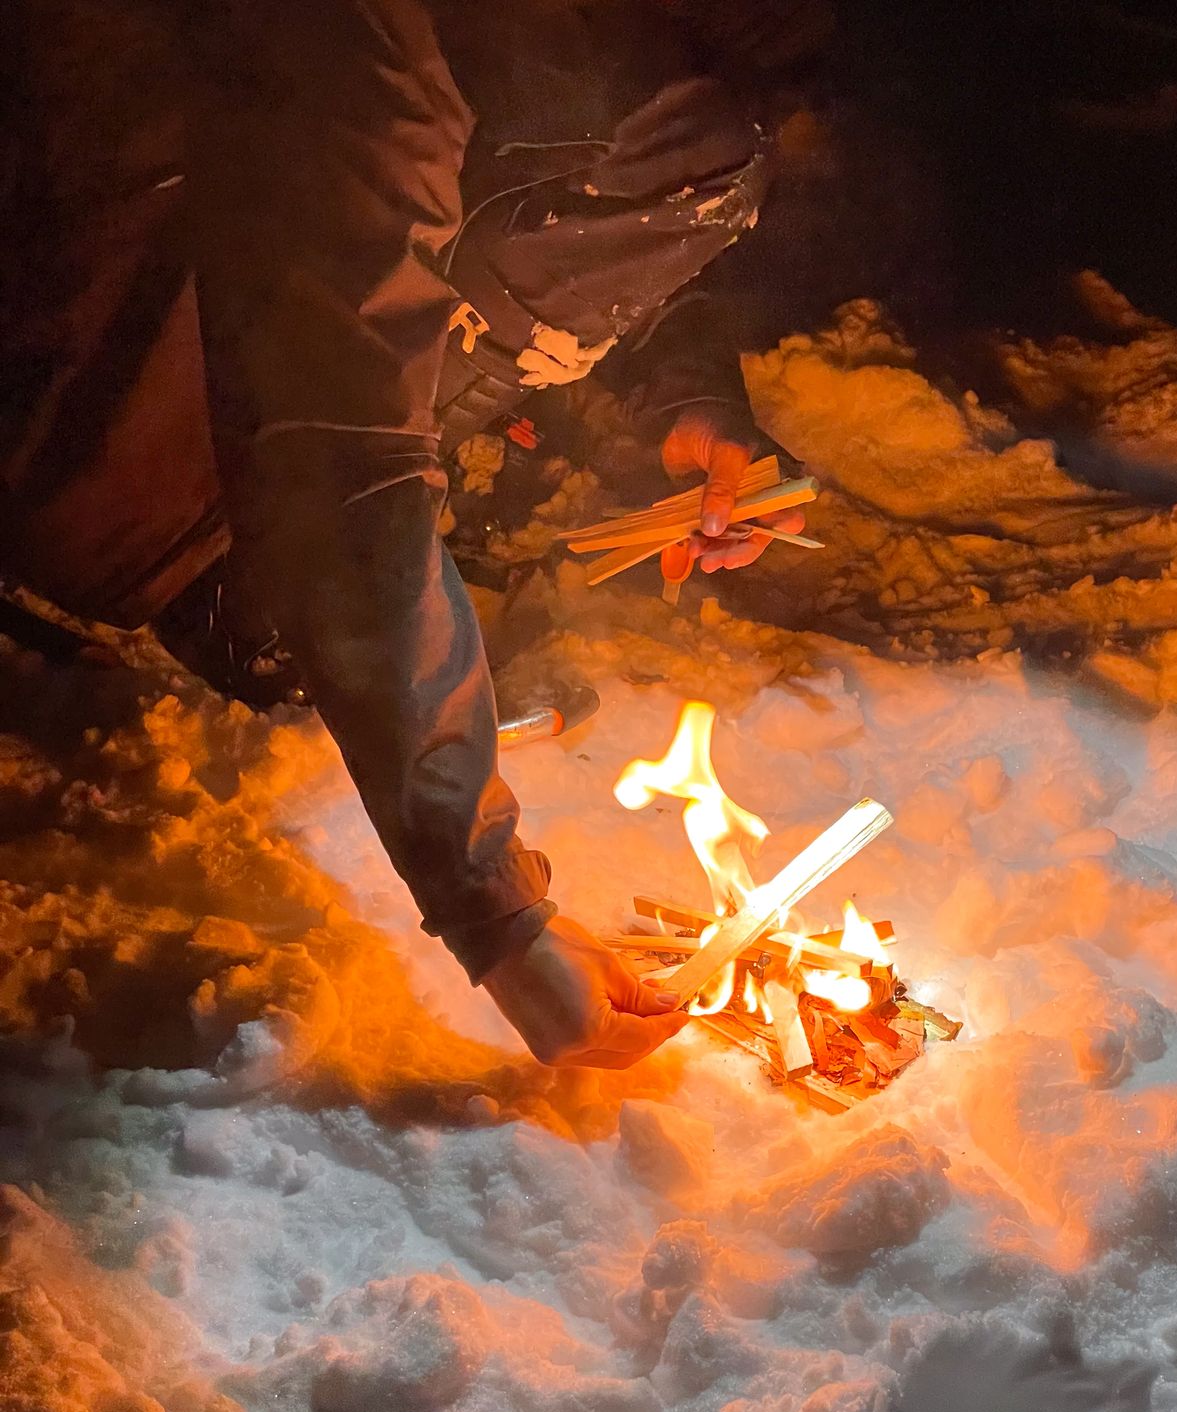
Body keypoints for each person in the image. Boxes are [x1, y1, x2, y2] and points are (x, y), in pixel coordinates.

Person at [0, 0, 827, 1070]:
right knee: (639, 160)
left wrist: (689, 394)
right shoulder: (345, 41)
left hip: (179, 287)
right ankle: (224, 573)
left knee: (684, 151)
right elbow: (339, 452)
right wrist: (502, 923)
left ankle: (277, 552)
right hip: (69, 432)